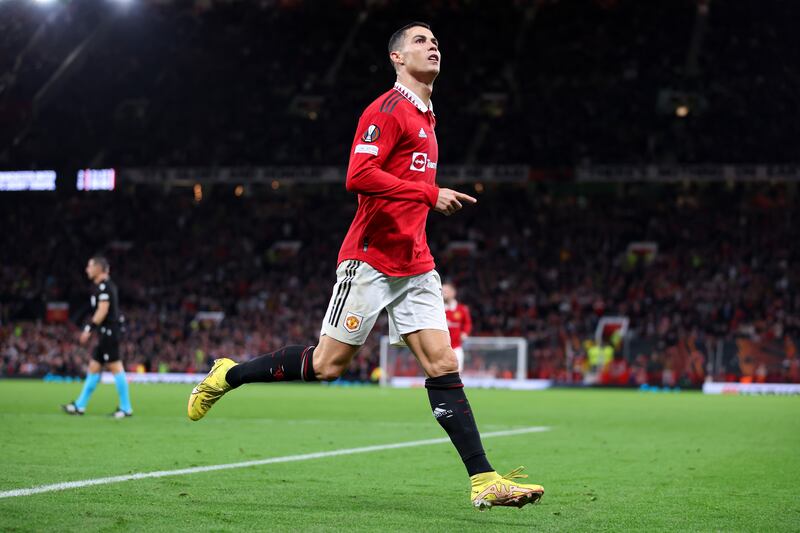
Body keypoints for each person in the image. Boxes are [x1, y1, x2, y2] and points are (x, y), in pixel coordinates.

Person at [188, 21, 544, 510]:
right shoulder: (388, 110)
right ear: (397, 58)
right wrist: (429, 193)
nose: (433, 44)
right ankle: (227, 374)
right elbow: (358, 175)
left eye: (436, 39)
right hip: (370, 259)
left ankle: (483, 479)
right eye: (420, 41)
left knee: (443, 363)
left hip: (415, 263)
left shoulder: (427, 118)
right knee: (326, 364)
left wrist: (424, 204)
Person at [62, 256, 133, 418]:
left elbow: (103, 311)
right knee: (93, 368)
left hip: (109, 333)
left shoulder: (105, 287)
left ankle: (126, 408)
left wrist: (89, 328)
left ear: (98, 269)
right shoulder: (104, 286)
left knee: (116, 367)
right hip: (105, 334)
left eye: (89, 266)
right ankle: (80, 406)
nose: (87, 269)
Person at [443, 281, 472, 372]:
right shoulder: (438, 309)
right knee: (440, 372)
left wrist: (465, 333)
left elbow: (468, 323)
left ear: (453, 293)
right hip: (440, 347)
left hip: (456, 346)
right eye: (441, 291)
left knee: (456, 372)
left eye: (445, 291)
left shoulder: (461, 309)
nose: (443, 294)